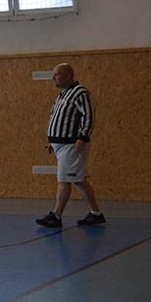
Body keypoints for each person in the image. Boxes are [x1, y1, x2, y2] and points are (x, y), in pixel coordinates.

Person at [36, 63, 105, 228]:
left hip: (72, 145)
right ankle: (96, 214)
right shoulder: (62, 94)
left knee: (64, 180)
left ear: (67, 76)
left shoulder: (80, 92)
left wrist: (82, 136)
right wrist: (52, 141)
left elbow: (88, 116)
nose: (53, 78)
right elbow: (58, 119)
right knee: (78, 180)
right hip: (61, 145)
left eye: (56, 74)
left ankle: (56, 215)